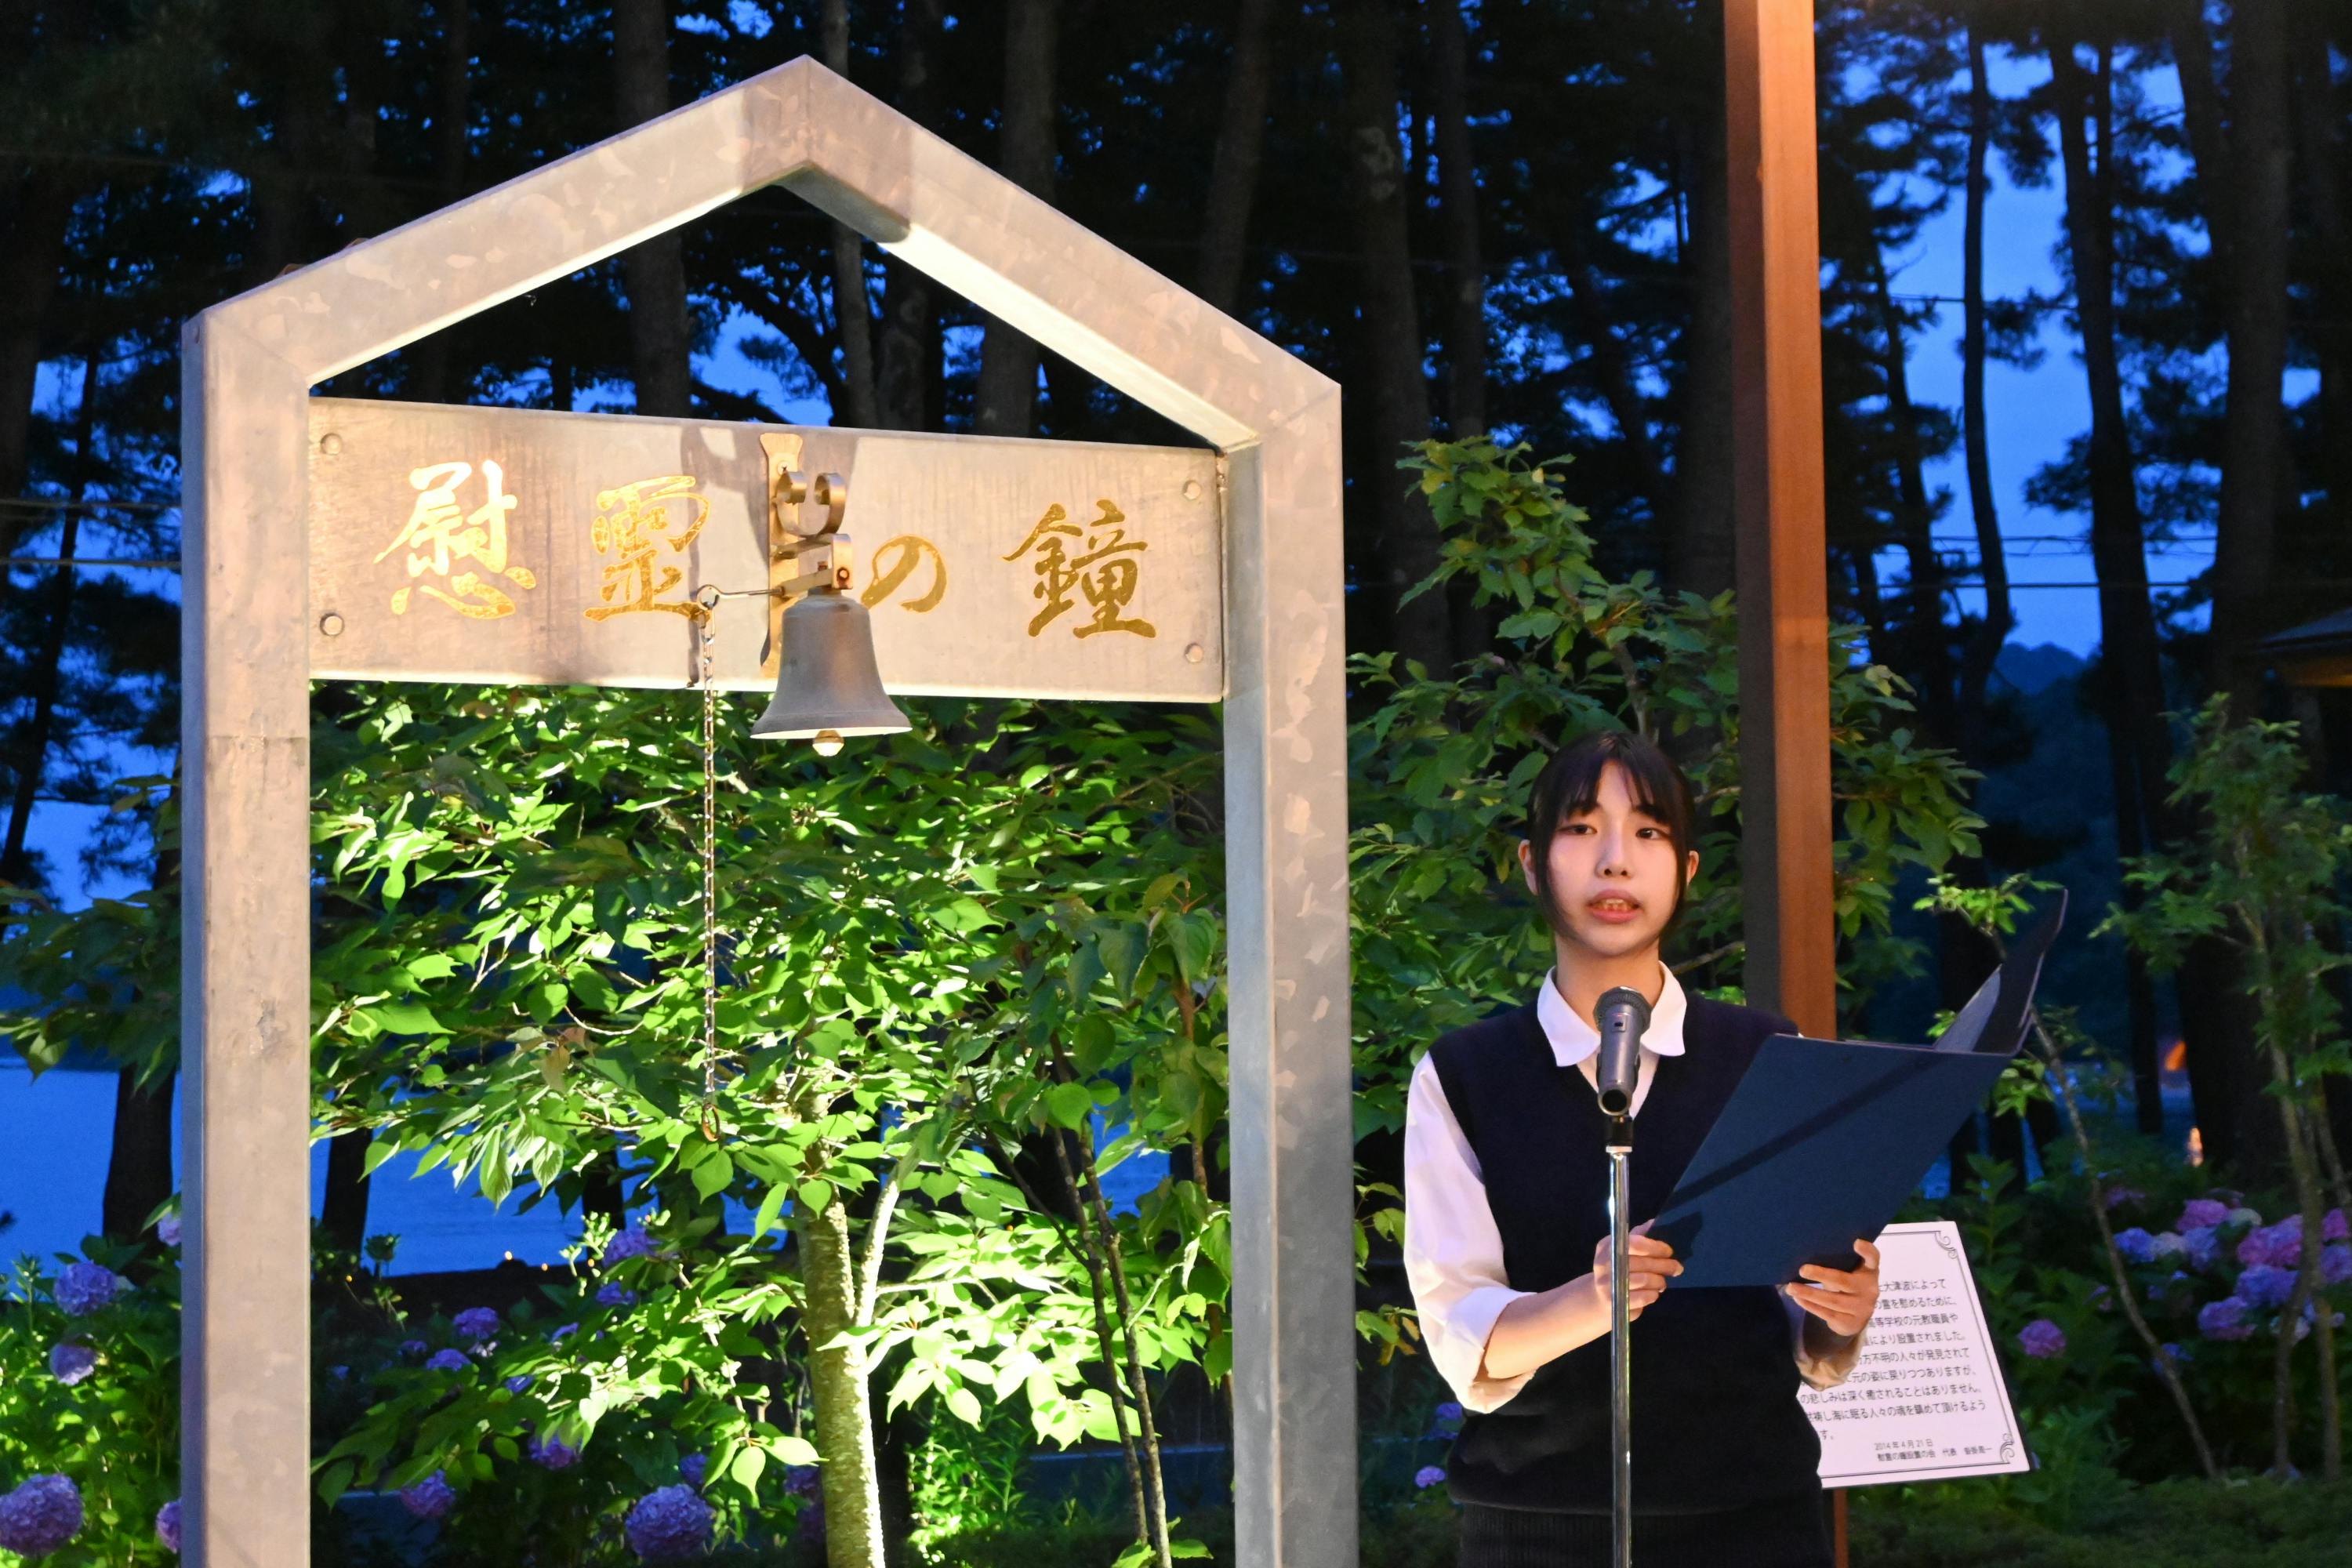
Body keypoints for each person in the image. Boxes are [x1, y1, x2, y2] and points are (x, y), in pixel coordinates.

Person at [1403, 727, 1882, 1566]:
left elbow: (1803, 1335)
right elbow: (1462, 1338)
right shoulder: (1466, 1074)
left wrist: (1840, 1318)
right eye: (1582, 828)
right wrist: (1593, 1300)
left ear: (1686, 870)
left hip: (1754, 1522)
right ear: (1531, 863)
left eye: (1649, 832)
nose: (1615, 861)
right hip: (1539, 1528)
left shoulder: (1768, 1055)